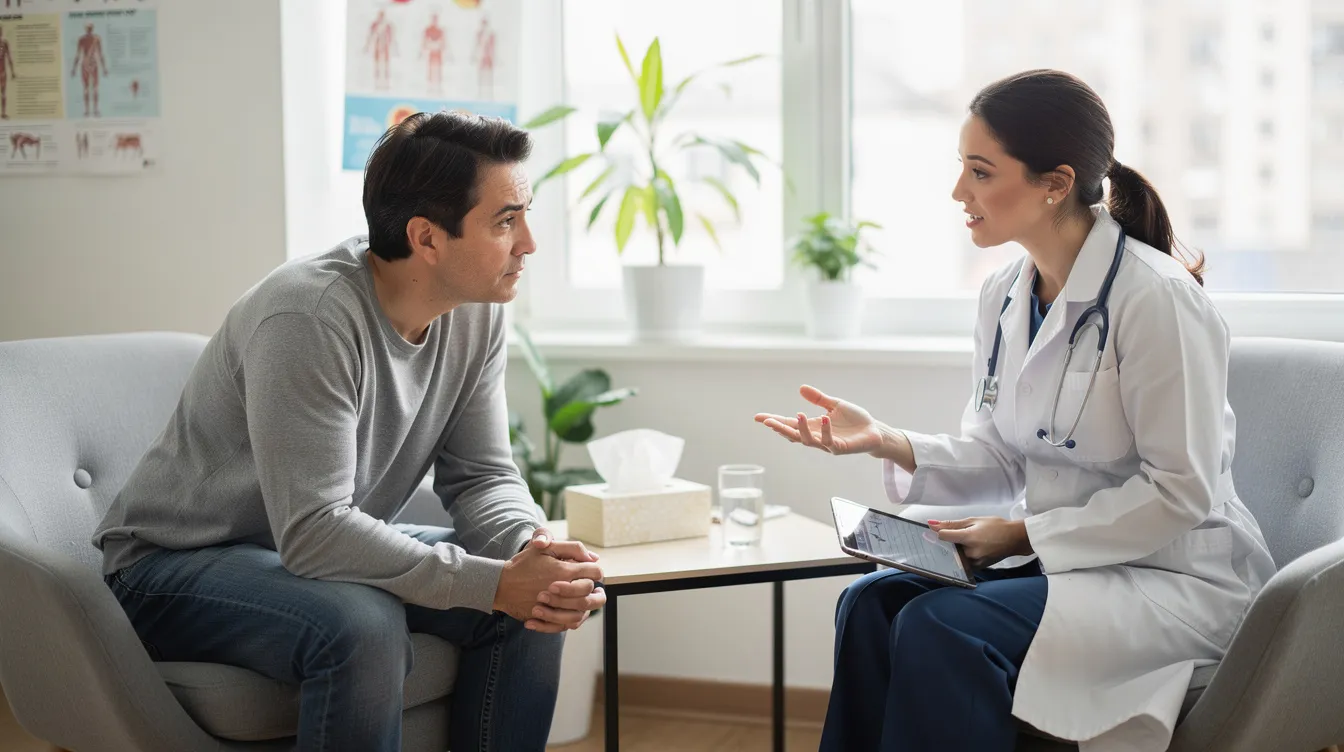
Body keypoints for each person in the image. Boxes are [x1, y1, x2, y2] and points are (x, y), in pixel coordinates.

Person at [755, 69, 1276, 752]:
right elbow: (1003, 455)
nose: (958, 193)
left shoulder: (1158, 299)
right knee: (870, 603)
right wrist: (887, 441)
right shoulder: (1004, 293)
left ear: (1055, 183)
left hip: (1174, 577)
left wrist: (1024, 535)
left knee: (941, 627)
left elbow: (1179, 492)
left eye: (980, 172)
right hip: (1076, 563)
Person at [93, 111, 606, 752]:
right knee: (363, 625)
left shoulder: (475, 312)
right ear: (426, 238)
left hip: (306, 550)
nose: (528, 242)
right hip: (173, 565)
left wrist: (531, 556)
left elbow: (483, 475)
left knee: (527, 607)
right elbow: (313, 532)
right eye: (506, 221)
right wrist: (494, 582)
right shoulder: (307, 318)